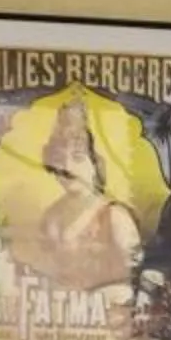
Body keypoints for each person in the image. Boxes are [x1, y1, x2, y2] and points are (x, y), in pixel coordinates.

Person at [15, 93, 144, 294]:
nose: (67, 167)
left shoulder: (115, 218)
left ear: (96, 163)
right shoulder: (52, 216)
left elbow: (134, 284)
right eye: (58, 158)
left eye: (78, 157)